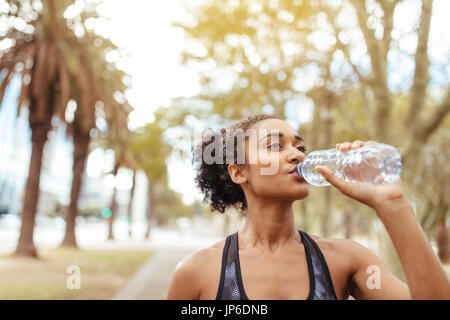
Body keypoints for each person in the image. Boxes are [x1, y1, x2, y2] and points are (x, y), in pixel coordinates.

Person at [166, 113, 450, 300]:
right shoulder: (197, 271)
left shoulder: (345, 260)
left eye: (299, 148)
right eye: (276, 147)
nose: (296, 156)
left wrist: (394, 204)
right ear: (239, 172)